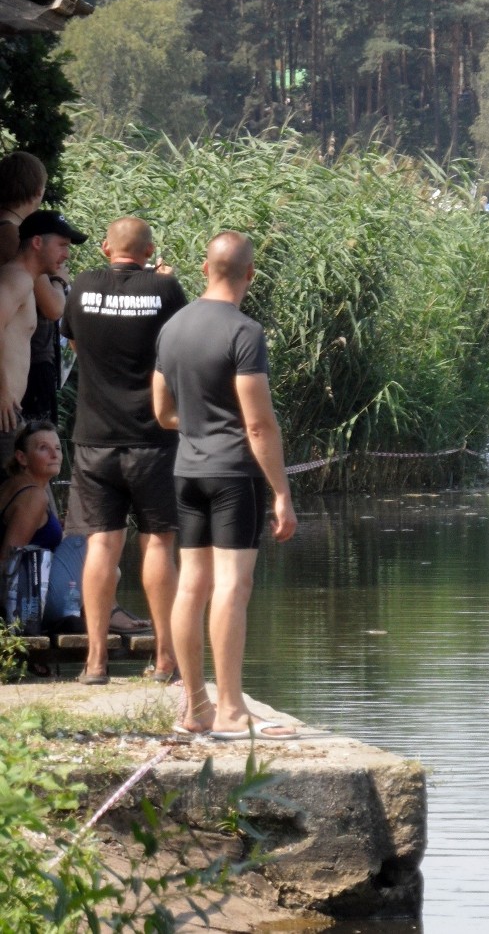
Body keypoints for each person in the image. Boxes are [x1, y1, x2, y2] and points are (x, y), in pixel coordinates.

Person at [153, 231, 298, 740]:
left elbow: (162, 411)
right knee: (233, 587)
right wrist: (281, 492)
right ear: (249, 275)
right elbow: (258, 424)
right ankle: (233, 711)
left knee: (192, 584)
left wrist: (198, 425)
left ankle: (195, 707)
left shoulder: (172, 328)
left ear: (203, 267)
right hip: (234, 473)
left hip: (187, 471)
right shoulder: (244, 331)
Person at [60, 216, 187, 685]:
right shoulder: (166, 291)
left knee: (101, 545)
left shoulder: (82, 287)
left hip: (94, 437)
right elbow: (178, 346)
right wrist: (163, 283)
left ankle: (96, 662)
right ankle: (166, 659)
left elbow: (73, 339)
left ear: (103, 247)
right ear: (150, 250)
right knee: (158, 542)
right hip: (154, 437)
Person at [0, 211, 85, 474]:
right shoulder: (17, 278)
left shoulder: (24, 280)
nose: (66, 255)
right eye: (61, 245)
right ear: (37, 243)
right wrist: (2, 390)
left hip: (10, 411)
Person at [0, 155, 71, 425]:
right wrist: (59, 280)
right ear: (38, 191)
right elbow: (53, 307)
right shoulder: (14, 237)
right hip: (28, 367)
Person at [0, 421, 83, 637]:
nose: (54, 455)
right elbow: (9, 559)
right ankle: (109, 615)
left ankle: (83, 616)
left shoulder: (17, 485)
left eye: (56, 448)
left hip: (34, 596)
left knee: (111, 571)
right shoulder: (33, 496)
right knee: (89, 540)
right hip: (29, 604)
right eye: (43, 448)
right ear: (22, 458)